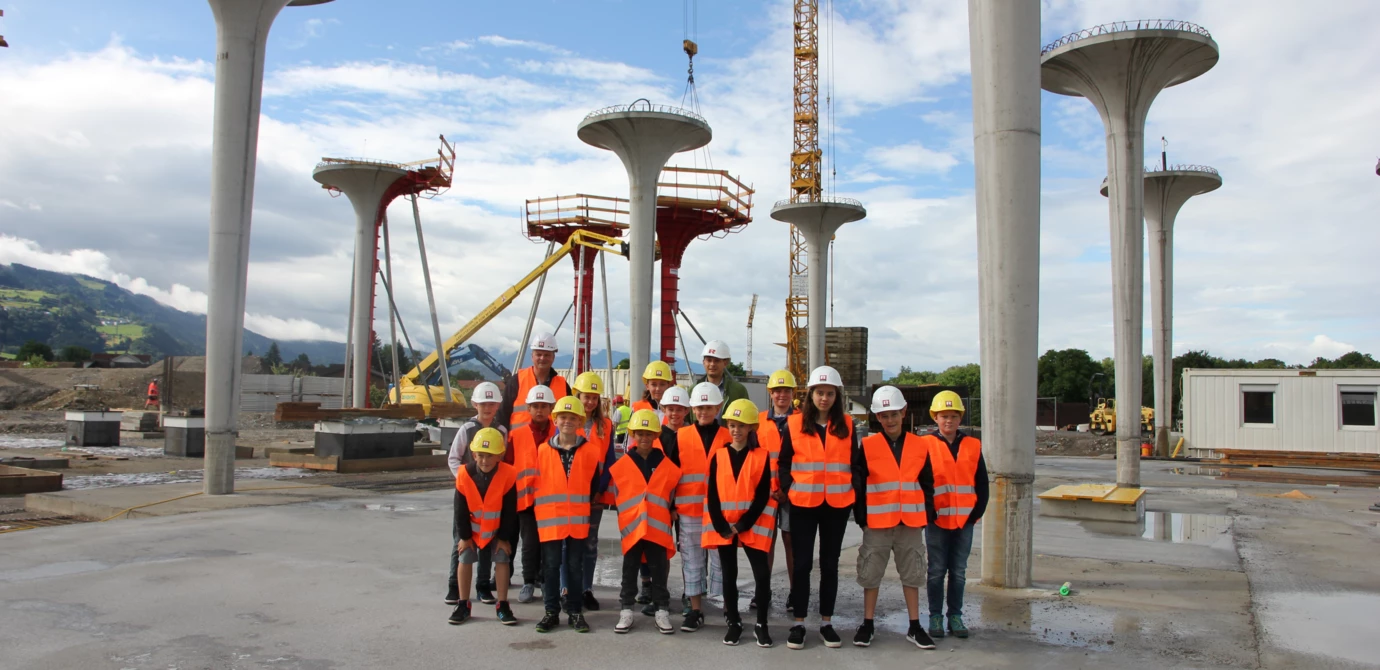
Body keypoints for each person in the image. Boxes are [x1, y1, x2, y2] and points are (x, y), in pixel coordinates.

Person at [850, 386, 937, 650]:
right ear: (877, 416)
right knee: (871, 574)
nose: (889, 420)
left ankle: (914, 626)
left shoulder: (920, 445)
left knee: (912, 574)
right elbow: (859, 484)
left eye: (893, 414)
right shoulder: (867, 445)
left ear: (903, 412)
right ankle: (867, 623)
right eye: (883, 415)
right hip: (877, 523)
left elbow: (927, 483)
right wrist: (862, 518)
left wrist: (926, 515)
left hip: (910, 522)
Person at [778, 365, 857, 650]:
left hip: (835, 506)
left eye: (830, 393)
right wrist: (789, 487)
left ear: (837, 396)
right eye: (820, 393)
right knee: (801, 565)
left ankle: (826, 622)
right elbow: (784, 462)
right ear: (811, 395)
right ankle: (798, 622)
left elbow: (855, 464)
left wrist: (853, 490)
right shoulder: (795, 424)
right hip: (803, 504)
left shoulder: (847, 425)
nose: (824, 398)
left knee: (829, 565)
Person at [703, 399, 777, 648]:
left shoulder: (761, 456)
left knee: (761, 574)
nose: (736, 430)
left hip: (751, 525)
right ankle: (733, 622)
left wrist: (743, 524)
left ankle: (761, 625)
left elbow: (763, 493)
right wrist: (720, 525)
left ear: (751, 428)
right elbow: (712, 493)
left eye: (741, 426)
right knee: (729, 575)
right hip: (724, 526)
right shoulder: (719, 455)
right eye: (732, 425)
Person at [534, 396, 604, 634]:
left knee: (575, 566)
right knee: (551, 566)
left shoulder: (590, 451)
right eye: (563, 417)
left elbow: (593, 484)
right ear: (555, 419)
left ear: (580, 422)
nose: (567, 422)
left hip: (577, 521)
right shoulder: (542, 451)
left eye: (572, 418)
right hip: (550, 520)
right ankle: (551, 612)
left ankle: (574, 611)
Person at [921, 391, 987, 641]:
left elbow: (982, 483)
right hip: (936, 520)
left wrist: (976, 513)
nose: (948, 420)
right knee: (936, 570)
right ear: (935, 418)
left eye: (953, 416)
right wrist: (928, 512)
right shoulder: (926, 445)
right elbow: (922, 482)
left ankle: (955, 616)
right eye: (943, 416)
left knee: (958, 571)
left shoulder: (972, 445)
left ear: (960, 418)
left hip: (964, 520)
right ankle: (935, 616)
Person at [610, 409, 682, 636]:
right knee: (629, 569)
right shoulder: (623, 464)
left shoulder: (666, 464)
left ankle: (662, 609)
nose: (644, 438)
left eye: (649, 433)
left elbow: (671, 493)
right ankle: (626, 609)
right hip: (633, 528)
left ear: (656, 435)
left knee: (659, 570)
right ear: (632, 434)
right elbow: (618, 496)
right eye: (639, 433)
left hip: (657, 528)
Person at [672, 382, 730, 631]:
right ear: (692, 409)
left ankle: (729, 607)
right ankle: (695, 610)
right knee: (692, 560)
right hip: (690, 511)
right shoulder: (681, 436)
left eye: (708, 407)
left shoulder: (728, 436)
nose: (703, 411)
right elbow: (671, 473)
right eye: (699, 407)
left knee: (723, 560)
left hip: (721, 512)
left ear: (718, 407)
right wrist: (671, 505)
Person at [446, 382, 509, 608]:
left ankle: (483, 586)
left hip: (491, 499)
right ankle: (454, 586)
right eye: (483, 404)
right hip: (468, 498)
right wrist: (464, 482)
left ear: (498, 405)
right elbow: (454, 459)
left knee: (487, 542)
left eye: (492, 404)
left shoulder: (501, 432)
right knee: (462, 542)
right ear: (475, 404)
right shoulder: (466, 429)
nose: (488, 408)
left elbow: (502, 462)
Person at [449, 428, 519, 626]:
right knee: (465, 558)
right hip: (471, 530)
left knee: (502, 559)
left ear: (500, 456)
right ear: (474, 455)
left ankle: (503, 604)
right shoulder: (463, 474)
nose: (485, 460)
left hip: (497, 530)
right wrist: (464, 537)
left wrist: (504, 538)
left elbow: (509, 510)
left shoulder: (509, 474)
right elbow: (459, 510)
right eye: (481, 455)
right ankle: (463, 604)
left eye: (490, 456)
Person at [560, 371, 615, 612]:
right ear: (577, 396)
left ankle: (586, 589)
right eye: (586, 396)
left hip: (595, 496)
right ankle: (565, 589)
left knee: (590, 545)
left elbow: (610, 460)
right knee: (567, 542)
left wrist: (599, 489)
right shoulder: (569, 422)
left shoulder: (606, 425)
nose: (590, 401)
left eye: (594, 397)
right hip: (572, 495)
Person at [634, 384, 691, 615]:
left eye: (679, 409)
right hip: (661, 505)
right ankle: (659, 594)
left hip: (688, 503)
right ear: (663, 409)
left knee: (690, 552)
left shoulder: (692, 436)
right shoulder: (656, 438)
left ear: (687, 411)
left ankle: (691, 594)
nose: (675, 414)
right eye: (670, 409)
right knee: (659, 551)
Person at [507, 385, 556, 604]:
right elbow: (508, 467)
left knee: (548, 544)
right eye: (535, 406)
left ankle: (544, 581)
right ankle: (528, 582)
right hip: (526, 499)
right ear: (528, 407)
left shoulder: (559, 433)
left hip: (551, 499)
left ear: (551, 408)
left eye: (543, 406)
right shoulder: (516, 435)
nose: (539, 410)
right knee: (529, 543)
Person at [756, 369, 798, 611]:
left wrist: (787, 488)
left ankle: (795, 592)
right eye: (777, 390)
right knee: (765, 543)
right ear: (770, 393)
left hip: (793, 492)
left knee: (791, 541)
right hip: (765, 493)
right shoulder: (759, 421)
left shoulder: (801, 421)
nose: (781, 395)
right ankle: (764, 591)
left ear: (792, 393)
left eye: (786, 390)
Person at [499, 332, 570, 431]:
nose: (542, 358)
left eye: (547, 355)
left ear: (553, 357)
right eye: (539, 354)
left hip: (552, 445)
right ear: (532, 356)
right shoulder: (516, 381)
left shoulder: (563, 386)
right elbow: (502, 416)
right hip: (520, 444)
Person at [696, 340, 749, 416]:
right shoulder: (694, 389)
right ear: (703, 362)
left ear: (725, 363)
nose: (712, 364)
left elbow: (745, 418)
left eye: (717, 361)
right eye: (709, 360)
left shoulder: (738, 391)